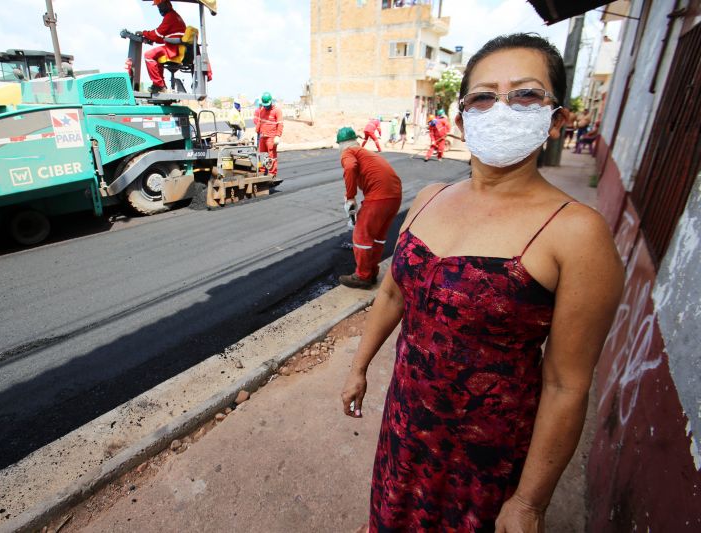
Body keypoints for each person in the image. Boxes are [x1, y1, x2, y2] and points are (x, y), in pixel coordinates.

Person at [340, 33, 624, 532]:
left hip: (484, 453)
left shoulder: (577, 233)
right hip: (405, 421)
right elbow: (392, 293)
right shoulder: (429, 198)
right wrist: (359, 367)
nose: (502, 108)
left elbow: (565, 384)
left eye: (527, 95)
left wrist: (530, 502)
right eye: (485, 96)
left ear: (556, 120)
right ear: (463, 116)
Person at [336, 127, 402, 289]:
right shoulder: (365, 152)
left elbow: (350, 167)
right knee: (377, 237)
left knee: (361, 236)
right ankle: (372, 272)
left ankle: (362, 276)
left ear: (340, 144)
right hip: (394, 195)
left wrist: (350, 196)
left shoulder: (348, 152)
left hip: (379, 196)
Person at [142, 0, 187, 93]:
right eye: (158, 7)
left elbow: (157, 33)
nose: (159, 9)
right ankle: (160, 85)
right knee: (156, 57)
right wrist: (151, 39)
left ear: (167, 4)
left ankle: (159, 85)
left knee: (148, 55)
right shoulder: (175, 16)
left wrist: (144, 33)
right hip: (176, 47)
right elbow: (163, 37)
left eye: (160, 6)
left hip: (173, 49)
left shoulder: (170, 16)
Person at [254, 92, 283, 177]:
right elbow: (259, 121)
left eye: (267, 104)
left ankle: (272, 173)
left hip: (271, 137)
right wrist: (256, 132)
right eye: (264, 105)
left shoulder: (277, 111)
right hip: (263, 136)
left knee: (271, 155)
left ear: (271, 102)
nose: (266, 106)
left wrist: (278, 135)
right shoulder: (262, 110)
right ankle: (262, 171)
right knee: (261, 154)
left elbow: (280, 124)